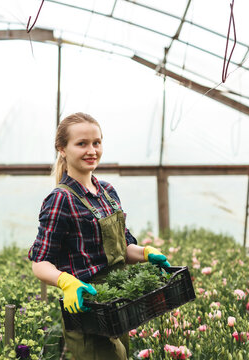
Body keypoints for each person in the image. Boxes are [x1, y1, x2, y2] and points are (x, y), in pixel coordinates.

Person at [28, 112, 170, 359]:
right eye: (81, 144)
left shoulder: (107, 191)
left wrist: (146, 253)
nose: (91, 150)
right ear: (62, 149)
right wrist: (67, 282)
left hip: (118, 302)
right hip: (88, 309)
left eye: (96, 142)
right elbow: (40, 263)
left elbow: (123, 247)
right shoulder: (60, 199)